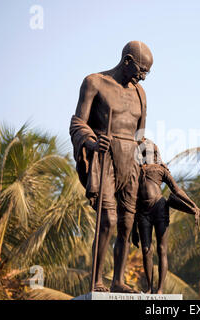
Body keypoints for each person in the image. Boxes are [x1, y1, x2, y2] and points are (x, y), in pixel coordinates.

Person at [69, 41, 152, 293]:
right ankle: (97, 280)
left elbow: (140, 133)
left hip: (131, 161)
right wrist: (92, 143)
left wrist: (146, 151)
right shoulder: (94, 82)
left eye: (148, 72)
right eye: (141, 70)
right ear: (127, 60)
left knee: (128, 223)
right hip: (105, 156)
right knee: (108, 219)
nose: (143, 77)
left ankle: (117, 280)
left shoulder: (140, 93)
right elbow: (77, 123)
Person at [134, 139, 200, 294]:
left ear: (155, 152)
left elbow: (177, 190)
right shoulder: (136, 171)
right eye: (144, 150)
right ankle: (150, 287)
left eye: (150, 149)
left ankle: (160, 289)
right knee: (146, 249)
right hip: (143, 212)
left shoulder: (161, 169)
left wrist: (193, 205)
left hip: (159, 209)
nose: (147, 151)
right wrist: (133, 230)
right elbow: (133, 199)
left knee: (161, 249)